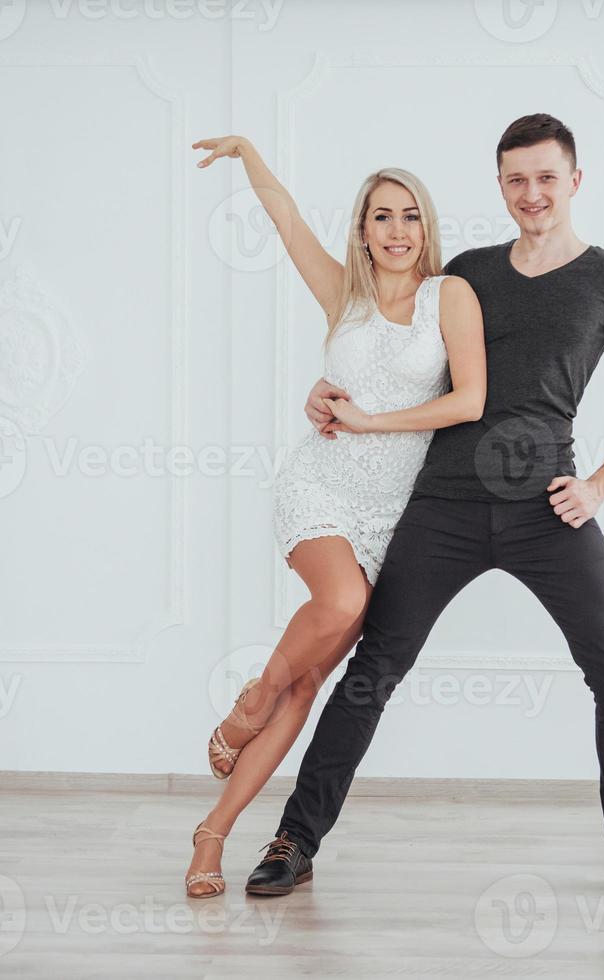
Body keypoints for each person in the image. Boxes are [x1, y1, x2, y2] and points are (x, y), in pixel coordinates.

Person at [244, 114, 604, 904]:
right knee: (372, 675)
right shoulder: (460, 275)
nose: (531, 193)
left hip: (548, 509)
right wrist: (324, 392)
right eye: (515, 179)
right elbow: (384, 350)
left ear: (574, 182)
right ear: (499, 186)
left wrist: (599, 483)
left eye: (546, 177)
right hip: (441, 506)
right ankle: (295, 838)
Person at [183, 135, 486, 899]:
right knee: (339, 603)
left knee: (308, 683)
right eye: (380, 216)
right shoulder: (342, 296)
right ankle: (247, 703)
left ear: (426, 227)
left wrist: (369, 421)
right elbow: (284, 220)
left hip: (392, 510)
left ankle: (210, 836)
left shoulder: (449, 295)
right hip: (320, 485)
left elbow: (469, 401)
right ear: (360, 229)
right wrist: (249, 152)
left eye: (409, 216)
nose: (395, 231)